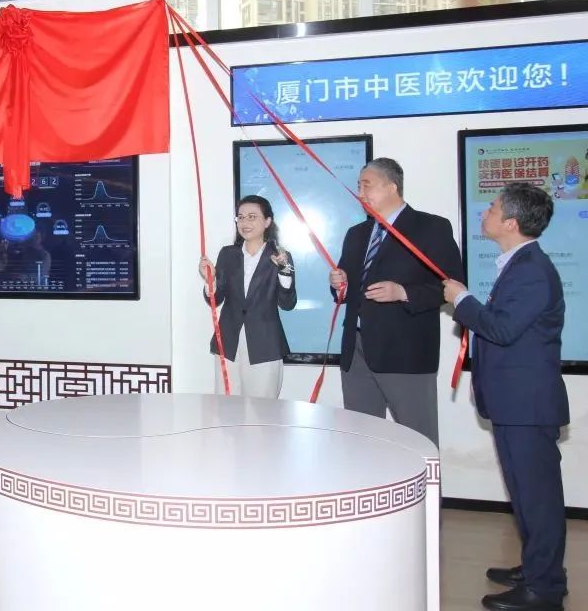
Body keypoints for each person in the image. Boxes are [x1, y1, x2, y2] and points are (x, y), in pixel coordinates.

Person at [443, 183, 568, 611]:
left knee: (538, 498)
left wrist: (462, 299)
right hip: (515, 401)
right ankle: (537, 568)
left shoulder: (531, 269)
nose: (485, 213)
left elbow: (501, 328)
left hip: (527, 403)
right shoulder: (520, 264)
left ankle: (544, 589)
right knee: (525, 494)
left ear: (511, 223)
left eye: (493, 208)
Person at [328, 158, 462, 448]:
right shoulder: (357, 234)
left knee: (419, 440)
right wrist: (339, 283)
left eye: (367, 186)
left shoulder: (431, 227)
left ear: (392, 187)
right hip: (356, 349)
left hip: (405, 351)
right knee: (361, 440)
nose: (360, 193)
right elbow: (348, 287)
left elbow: (453, 286)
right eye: (359, 186)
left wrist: (403, 292)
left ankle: (427, 482)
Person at [198, 195, 296, 398]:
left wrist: (283, 271)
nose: (245, 222)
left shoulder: (280, 256)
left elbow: (288, 303)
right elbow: (215, 299)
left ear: (267, 221)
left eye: (252, 217)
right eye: (241, 217)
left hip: (265, 345)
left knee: (262, 410)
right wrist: (210, 280)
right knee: (226, 408)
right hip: (228, 343)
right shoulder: (227, 254)